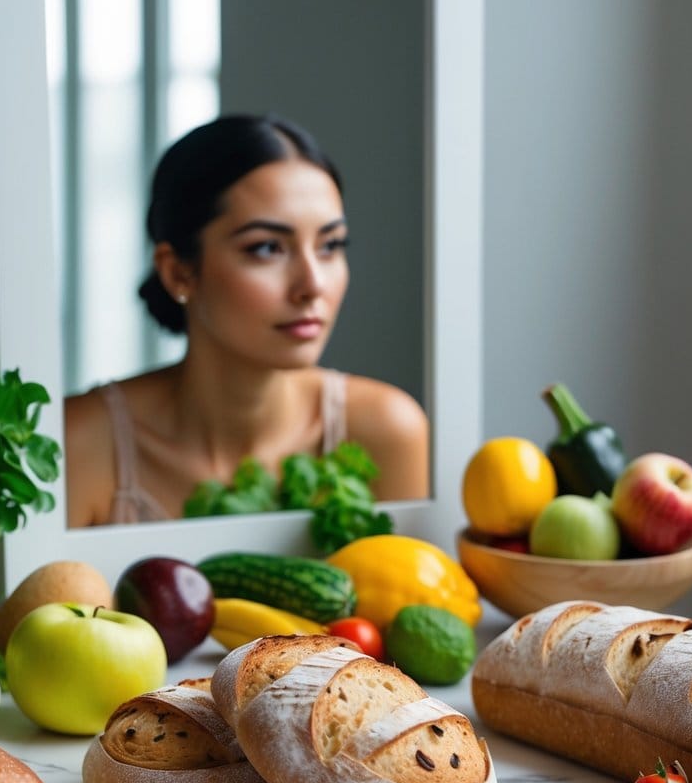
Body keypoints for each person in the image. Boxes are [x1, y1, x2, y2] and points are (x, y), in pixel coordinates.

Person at [64, 113, 429, 528]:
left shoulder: (386, 432)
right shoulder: (80, 444)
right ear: (178, 272)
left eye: (330, 245)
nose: (312, 285)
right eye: (267, 248)